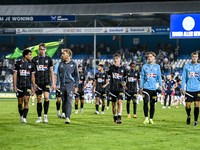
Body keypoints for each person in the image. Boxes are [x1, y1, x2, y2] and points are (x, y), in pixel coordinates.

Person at [32, 43, 55, 123]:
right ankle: (39, 118)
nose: (42, 51)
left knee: (46, 97)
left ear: (45, 50)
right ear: (39, 50)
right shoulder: (34, 60)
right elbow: (33, 74)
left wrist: (53, 83)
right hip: (38, 82)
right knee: (39, 99)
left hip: (46, 81)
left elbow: (51, 72)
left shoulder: (49, 59)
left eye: (43, 49)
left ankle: (45, 116)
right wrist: (34, 84)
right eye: (41, 49)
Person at [56, 49, 79, 124]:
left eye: (64, 53)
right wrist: (57, 84)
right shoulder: (61, 64)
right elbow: (58, 76)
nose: (62, 55)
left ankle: (68, 117)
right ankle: (65, 114)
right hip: (62, 85)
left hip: (70, 85)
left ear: (68, 55)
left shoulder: (74, 64)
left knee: (69, 101)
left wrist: (76, 86)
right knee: (64, 101)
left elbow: (77, 76)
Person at [13, 49, 36, 123]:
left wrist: (33, 87)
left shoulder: (32, 65)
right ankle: (21, 116)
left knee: (26, 101)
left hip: (27, 86)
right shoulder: (18, 63)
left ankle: (24, 118)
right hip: (19, 86)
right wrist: (14, 86)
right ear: (25, 55)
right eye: (30, 55)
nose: (31, 56)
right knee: (20, 103)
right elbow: (15, 75)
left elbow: (33, 76)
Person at [139, 52, 162, 125]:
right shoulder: (144, 66)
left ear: (154, 58)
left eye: (151, 57)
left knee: (152, 104)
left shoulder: (157, 66)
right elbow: (142, 77)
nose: (149, 58)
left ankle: (151, 119)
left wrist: (160, 85)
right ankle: (146, 118)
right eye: (148, 57)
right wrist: (140, 87)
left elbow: (159, 77)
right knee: (145, 102)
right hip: (146, 87)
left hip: (154, 88)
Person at [181, 52, 200, 126]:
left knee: (196, 104)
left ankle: (195, 121)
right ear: (191, 57)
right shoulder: (186, 66)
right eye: (193, 57)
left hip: (197, 88)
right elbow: (184, 78)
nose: (194, 58)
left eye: (196, 57)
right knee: (188, 105)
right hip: (189, 89)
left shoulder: (199, 66)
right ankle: (189, 115)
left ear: (198, 58)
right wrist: (182, 88)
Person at [108, 53, 127, 124]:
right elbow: (108, 73)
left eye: (117, 58)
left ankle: (119, 117)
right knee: (113, 104)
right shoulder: (112, 67)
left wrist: (124, 83)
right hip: (112, 89)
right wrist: (114, 67)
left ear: (120, 59)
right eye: (114, 59)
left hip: (120, 88)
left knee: (120, 102)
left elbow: (125, 78)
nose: (116, 60)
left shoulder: (123, 68)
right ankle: (115, 117)